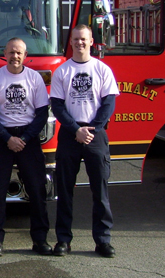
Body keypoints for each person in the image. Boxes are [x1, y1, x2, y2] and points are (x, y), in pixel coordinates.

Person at [50, 24, 119, 258]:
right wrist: (76, 130)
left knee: (100, 190)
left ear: (91, 41)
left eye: (84, 39)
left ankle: (102, 241)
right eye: (76, 39)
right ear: (71, 42)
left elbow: (109, 103)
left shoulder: (102, 69)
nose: (80, 42)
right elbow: (57, 106)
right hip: (70, 136)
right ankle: (63, 240)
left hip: (96, 135)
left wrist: (92, 129)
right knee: (65, 191)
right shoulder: (62, 71)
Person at [0, 38, 51, 257]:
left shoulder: (34, 79)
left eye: (19, 53)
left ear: (25, 55)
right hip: (1, 138)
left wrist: (26, 138)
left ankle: (40, 240)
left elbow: (42, 114)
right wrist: (6, 138)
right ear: (5, 53)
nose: (15, 56)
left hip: (28, 139)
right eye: (11, 52)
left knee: (37, 191)